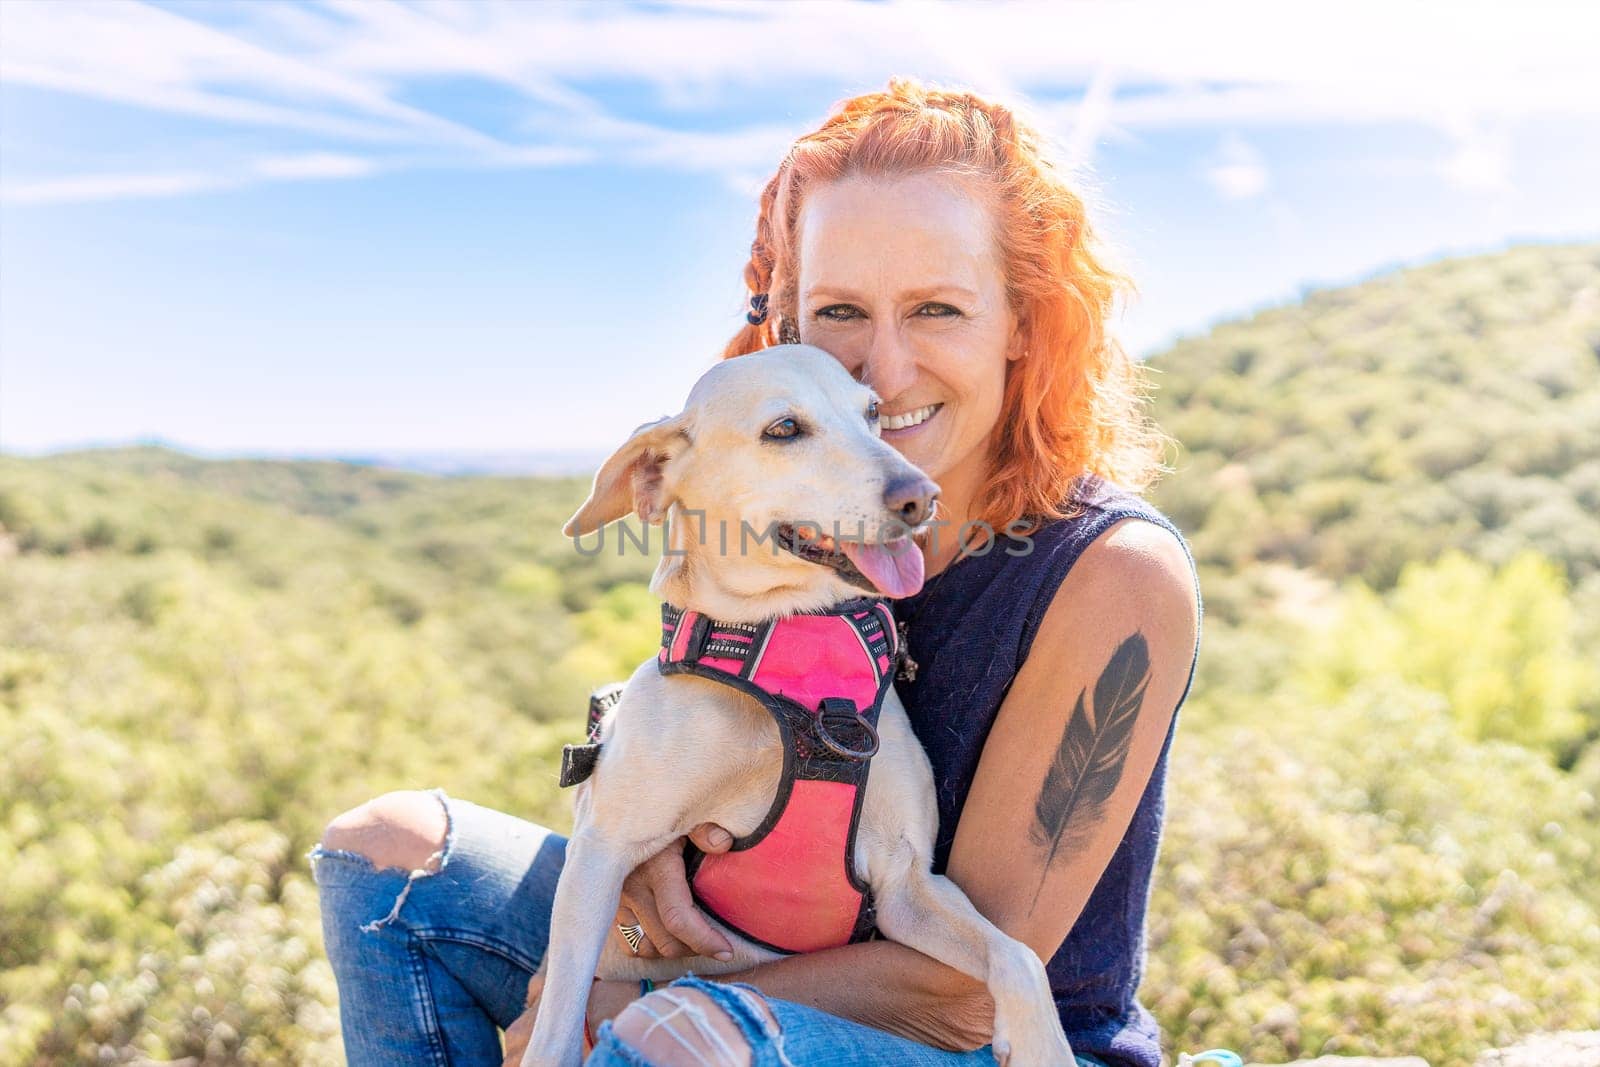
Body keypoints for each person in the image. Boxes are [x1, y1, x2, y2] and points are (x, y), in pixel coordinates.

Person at [310, 77, 1202, 1067]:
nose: (883, 372)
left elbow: (961, 995)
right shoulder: (773, 520)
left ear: (1022, 321)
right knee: (385, 852)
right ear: (783, 324)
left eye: (938, 308)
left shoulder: (1111, 574)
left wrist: (614, 998)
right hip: (742, 950)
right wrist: (647, 840)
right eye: (840, 312)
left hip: (974, 1038)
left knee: (672, 1034)